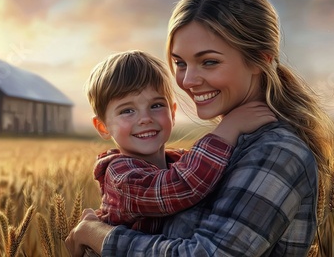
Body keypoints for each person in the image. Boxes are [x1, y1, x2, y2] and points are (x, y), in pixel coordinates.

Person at [66, 0, 334, 256]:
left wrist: (98, 235)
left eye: (209, 61)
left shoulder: (278, 151)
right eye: (180, 63)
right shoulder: (221, 147)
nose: (188, 80)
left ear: (260, 60)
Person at [85, 50, 276, 234]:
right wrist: (229, 129)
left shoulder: (181, 160)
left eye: (156, 105)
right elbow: (182, 185)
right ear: (103, 127)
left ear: (172, 113)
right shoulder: (119, 174)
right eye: (127, 110)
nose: (145, 118)